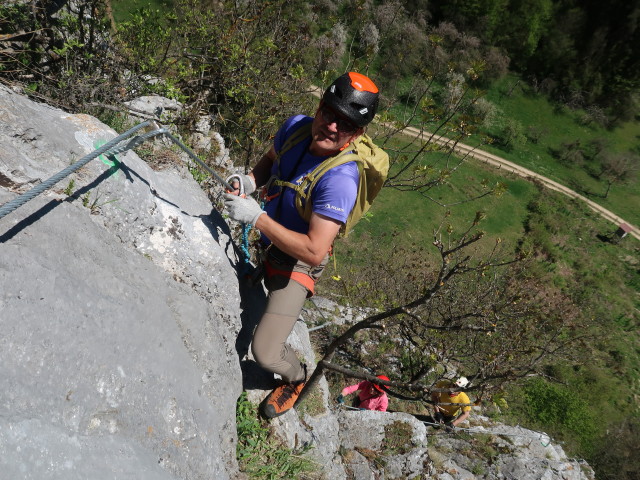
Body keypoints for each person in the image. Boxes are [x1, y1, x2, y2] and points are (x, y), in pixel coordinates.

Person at [223, 72, 382, 418]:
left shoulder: (340, 180)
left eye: (346, 125)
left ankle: (296, 378)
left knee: (264, 352)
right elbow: (270, 162)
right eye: (329, 114)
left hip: (297, 265)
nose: (332, 127)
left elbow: (314, 250)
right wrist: (249, 181)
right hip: (271, 244)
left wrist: (257, 219)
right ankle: (263, 270)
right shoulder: (296, 128)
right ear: (319, 107)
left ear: (357, 134)